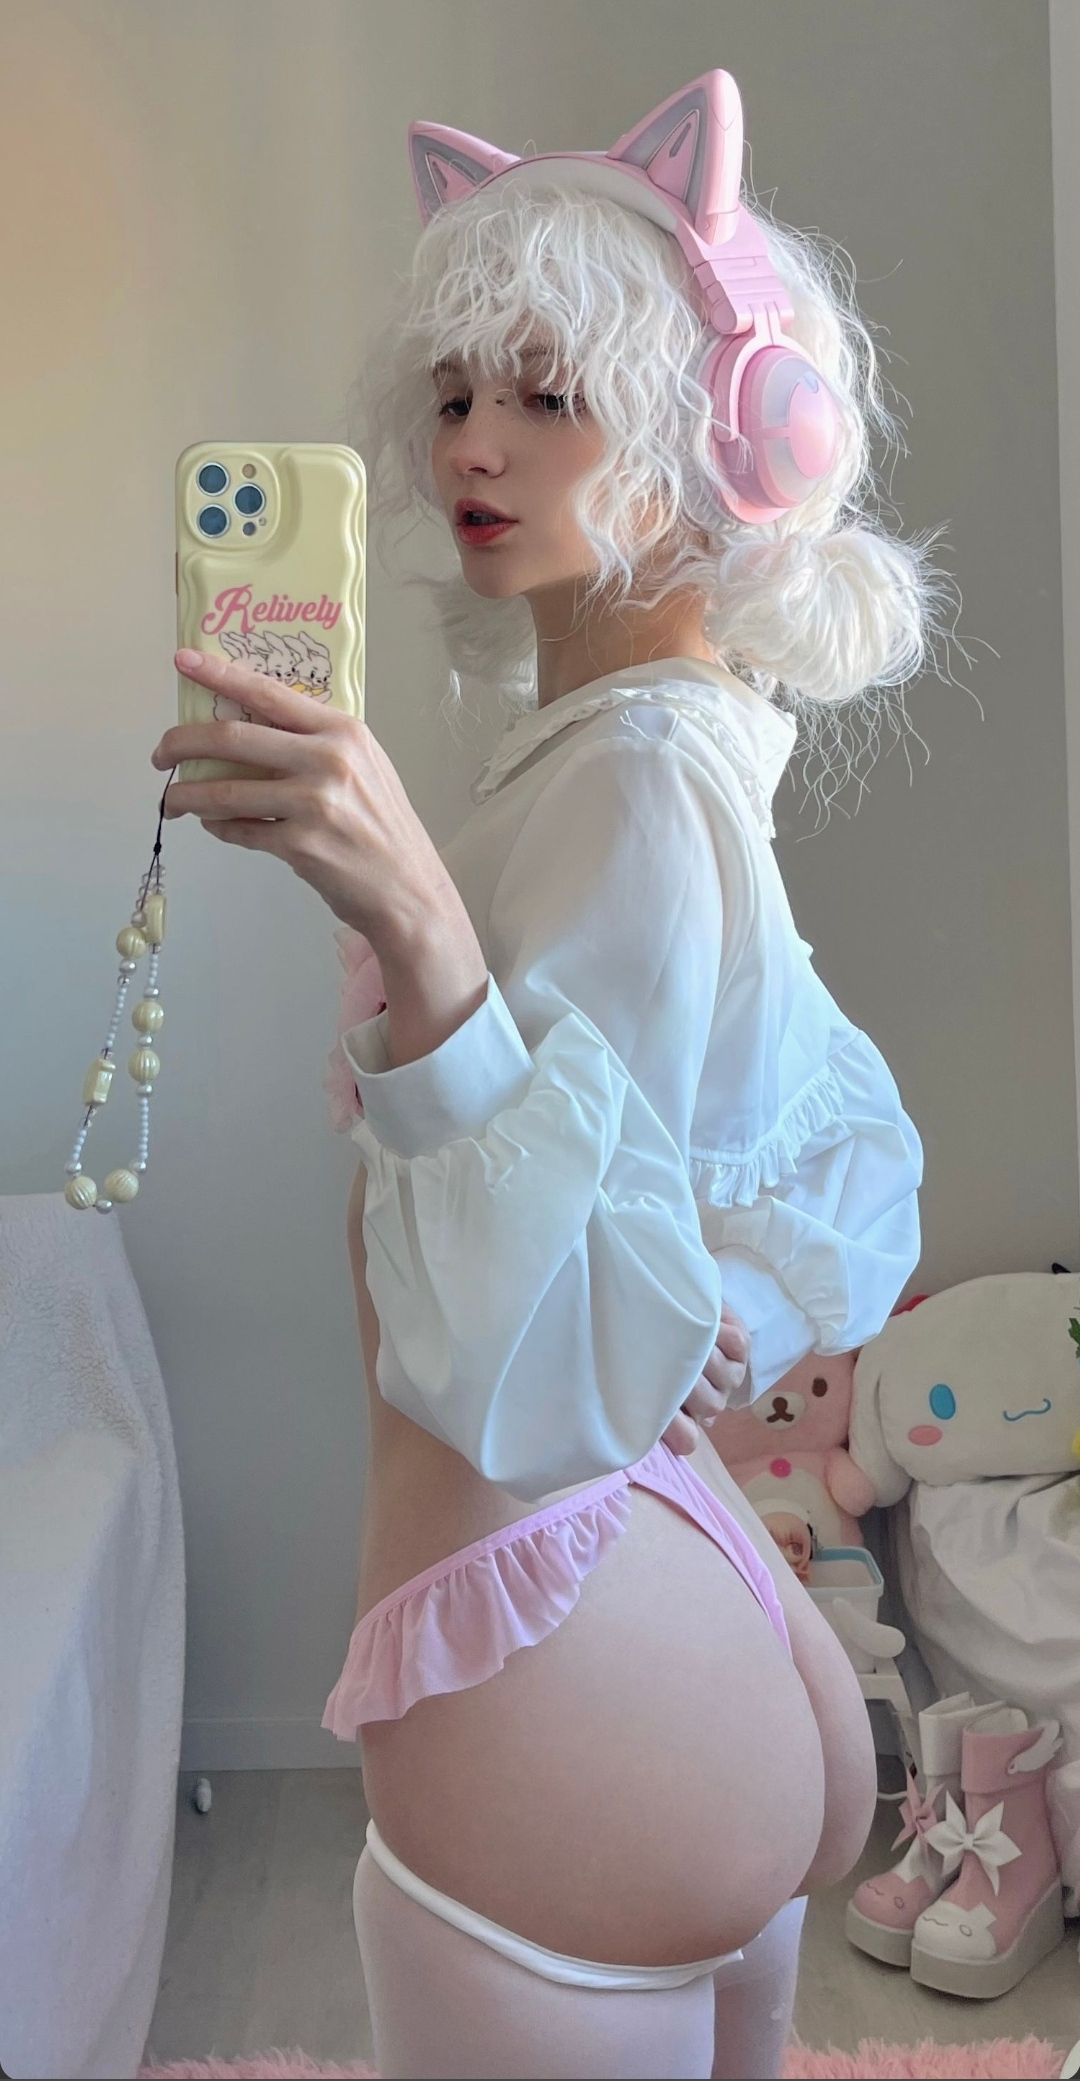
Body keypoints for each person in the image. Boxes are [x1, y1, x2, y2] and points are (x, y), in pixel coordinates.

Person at [154, 69, 934, 2081]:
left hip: (552, 1625)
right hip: (670, 1603)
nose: (470, 446)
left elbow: (525, 1346)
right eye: (452, 395)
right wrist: (734, 1302)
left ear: (713, 439)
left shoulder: (643, 777)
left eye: (547, 395)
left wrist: (417, 924)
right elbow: (837, 1146)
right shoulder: (667, 747)